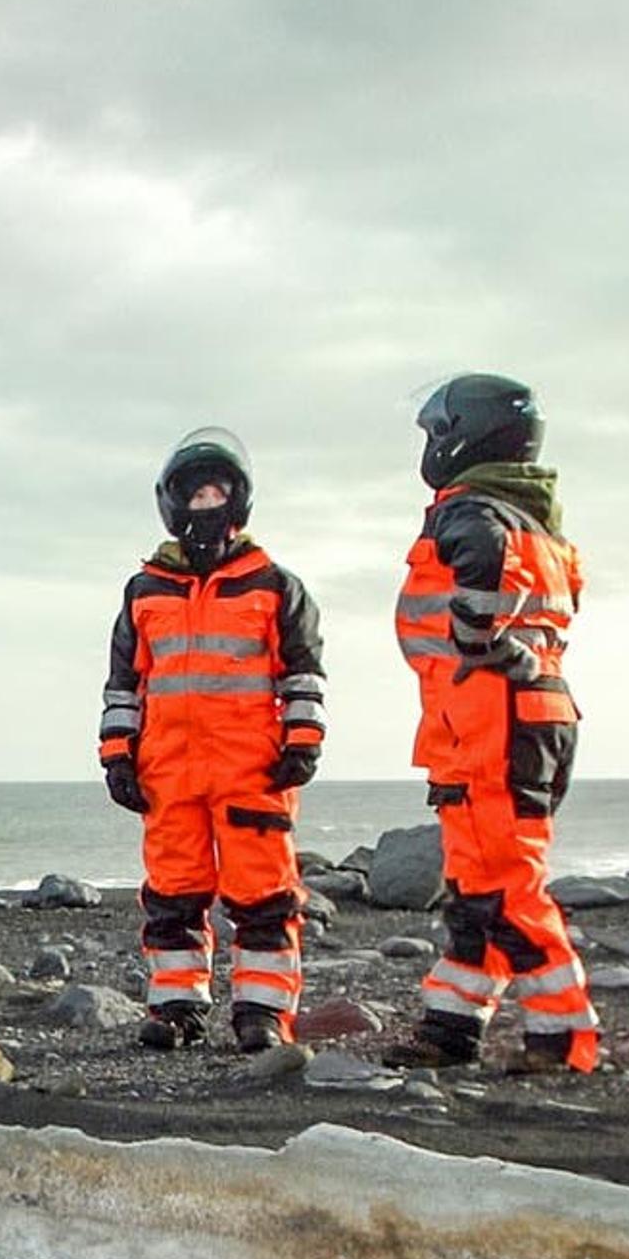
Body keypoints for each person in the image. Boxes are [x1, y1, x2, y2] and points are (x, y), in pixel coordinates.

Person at [384, 376, 599, 1072]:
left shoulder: (470, 512)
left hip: (492, 722)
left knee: (505, 885)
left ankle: (563, 1035)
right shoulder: (540, 524)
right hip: (516, 718)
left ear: (463, 435)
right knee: (480, 885)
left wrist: (479, 634)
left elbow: (480, 564)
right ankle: (451, 1026)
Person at [98, 429, 327, 1053]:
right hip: (167, 773)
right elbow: (124, 684)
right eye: (194, 492)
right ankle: (177, 1006)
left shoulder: (274, 586)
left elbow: (303, 672)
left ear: (239, 499)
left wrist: (302, 741)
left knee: (264, 897)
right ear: (171, 503)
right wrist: (118, 755)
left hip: (253, 770)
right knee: (173, 895)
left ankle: (264, 1013)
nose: (205, 503)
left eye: (217, 491)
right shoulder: (145, 591)